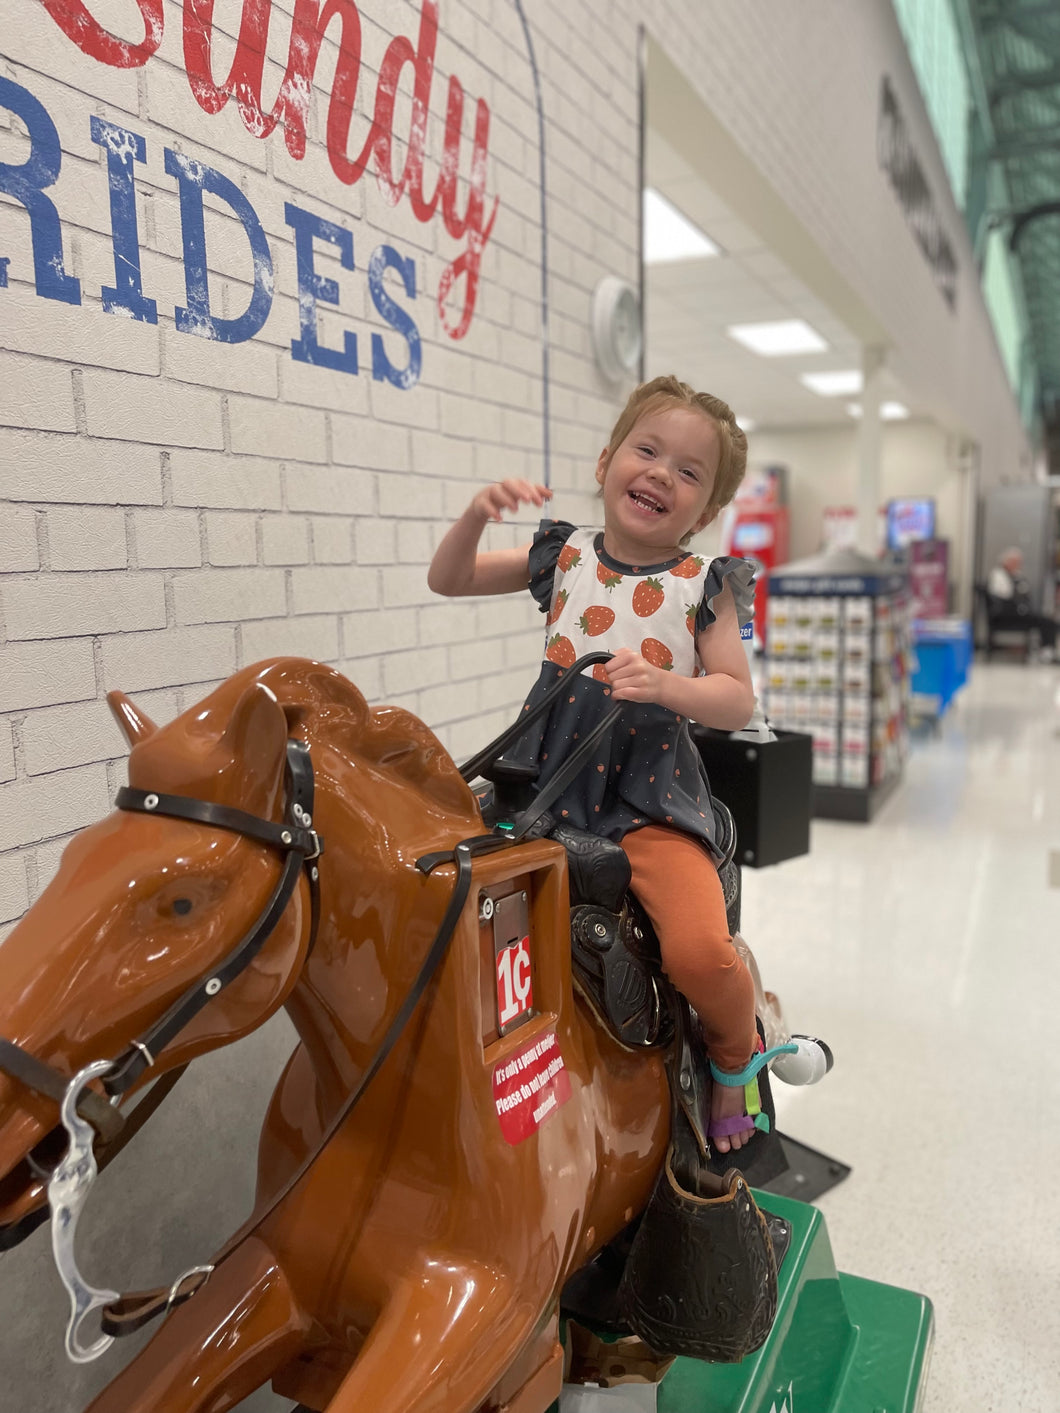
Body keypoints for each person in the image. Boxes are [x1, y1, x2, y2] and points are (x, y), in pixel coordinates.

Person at [428, 374, 765, 1153]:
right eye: (647, 451)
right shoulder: (566, 553)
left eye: (688, 472)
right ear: (607, 458)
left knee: (697, 950)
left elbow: (737, 699)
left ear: (706, 511)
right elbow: (448, 579)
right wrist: (476, 515)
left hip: (646, 798)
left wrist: (670, 685)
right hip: (541, 781)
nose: (660, 475)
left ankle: (736, 1058)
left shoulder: (699, 586)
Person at [986, 546, 1057, 660]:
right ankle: (1046, 651)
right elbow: (1005, 595)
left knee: (1048, 621)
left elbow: (1025, 592)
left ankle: (1047, 650)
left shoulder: (1017, 575)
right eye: (1016, 562)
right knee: (1043, 621)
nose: (1018, 565)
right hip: (1005, 614)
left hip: (1020, 612)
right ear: (1007, 562)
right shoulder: (998, 575)